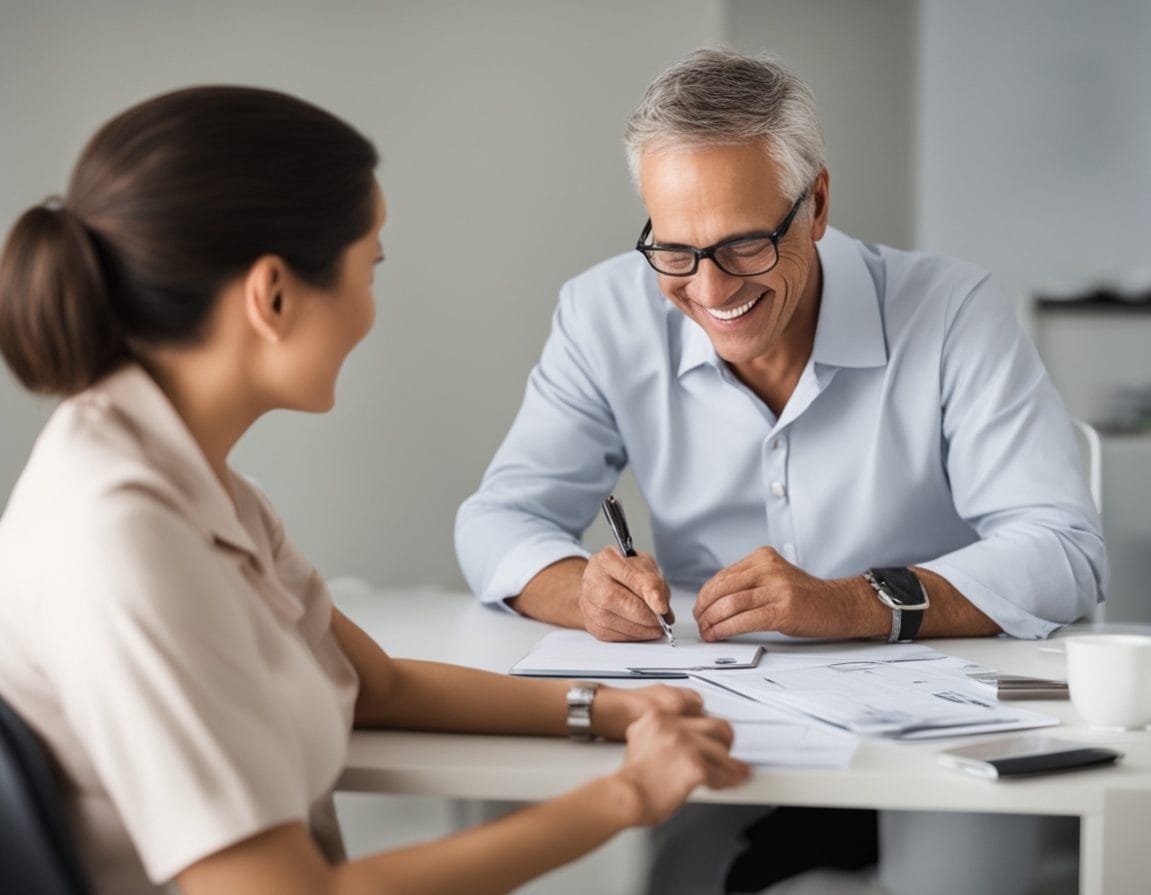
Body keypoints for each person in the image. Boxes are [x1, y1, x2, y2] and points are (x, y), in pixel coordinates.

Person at [0, 86, 750, 895]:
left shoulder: (183, 475)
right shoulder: (122, 537)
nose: (370, 309)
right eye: (371, 267)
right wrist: (629, 794)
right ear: (274, 296)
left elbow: (376, 686)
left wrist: (613, 708)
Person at [455, 48, 1106, 895]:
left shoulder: (950, 311)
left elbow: (1062, 547)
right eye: (676, 250)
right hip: (724, 720)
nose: (710, 287)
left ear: (818, 204)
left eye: (745, 244)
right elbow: (496, 520)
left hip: (945, 731)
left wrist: (853, 600)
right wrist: (577, 587)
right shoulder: (600, 313)